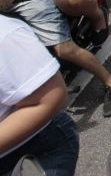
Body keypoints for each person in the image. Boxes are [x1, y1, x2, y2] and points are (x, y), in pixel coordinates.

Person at [0, 16, 79, 175]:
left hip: (31, 148)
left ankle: (110, 82)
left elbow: (51, 98)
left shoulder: (5, 34)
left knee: (65, 48)